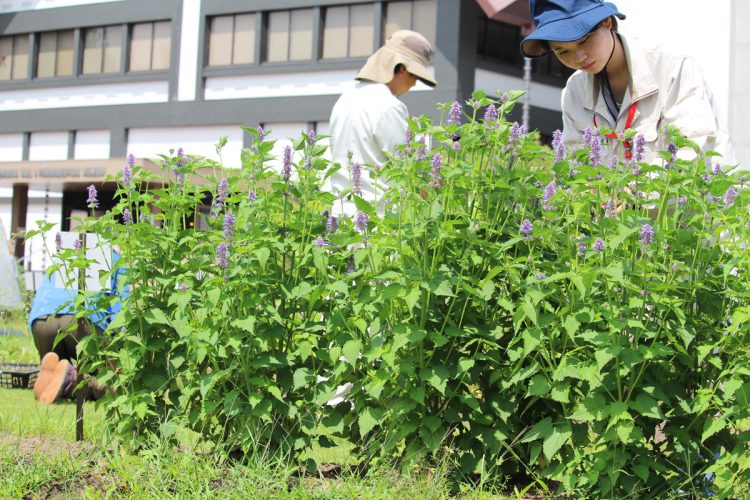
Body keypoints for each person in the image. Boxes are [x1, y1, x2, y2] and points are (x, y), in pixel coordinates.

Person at [520, 0, 737, 167]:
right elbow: (576, 164)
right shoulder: (574, 92)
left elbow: (692, 148)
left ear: (607, 22)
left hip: (699, 218)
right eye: (563, 51)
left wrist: (632, 194)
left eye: (585, 41)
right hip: (619, 222)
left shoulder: (672, 67)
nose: (580, 57)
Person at [328, 29, 438, 215]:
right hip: (379, 222)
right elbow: (410, 167)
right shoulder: (388, 106)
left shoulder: (346, 98)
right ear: (401, 68)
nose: (414, 84)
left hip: (342, 217)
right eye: (414, 76)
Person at [30, 251, 127, 404]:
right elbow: (122, 312)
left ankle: (56, 379)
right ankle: (72, 379)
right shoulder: (116, 260)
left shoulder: (64, 255)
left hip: (41, 322)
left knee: (57, 373)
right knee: (114, 385)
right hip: (80, 321)